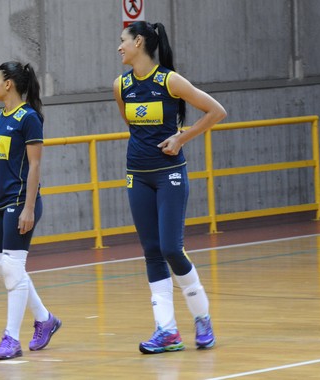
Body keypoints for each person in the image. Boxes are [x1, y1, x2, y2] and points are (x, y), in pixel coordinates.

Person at [113, 22, 227, 354]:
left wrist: (181, 137)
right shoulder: (121, 85)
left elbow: (216, 111)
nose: (119, 48)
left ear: (138, 42)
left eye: (122, 41)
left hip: (169, 175)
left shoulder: (170, 80)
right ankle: (166, 330)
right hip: (137, 175)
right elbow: (132, 126)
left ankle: (202, 318)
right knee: (152, 252)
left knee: (171, 249)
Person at [0, 61, 62, 360]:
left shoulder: (29, 118)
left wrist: (28, 208)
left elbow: (35, 165)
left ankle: (11, 338)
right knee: (2, 266)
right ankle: (45, 318)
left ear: (9, 83)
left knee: (13, 269)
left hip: (19, 202)